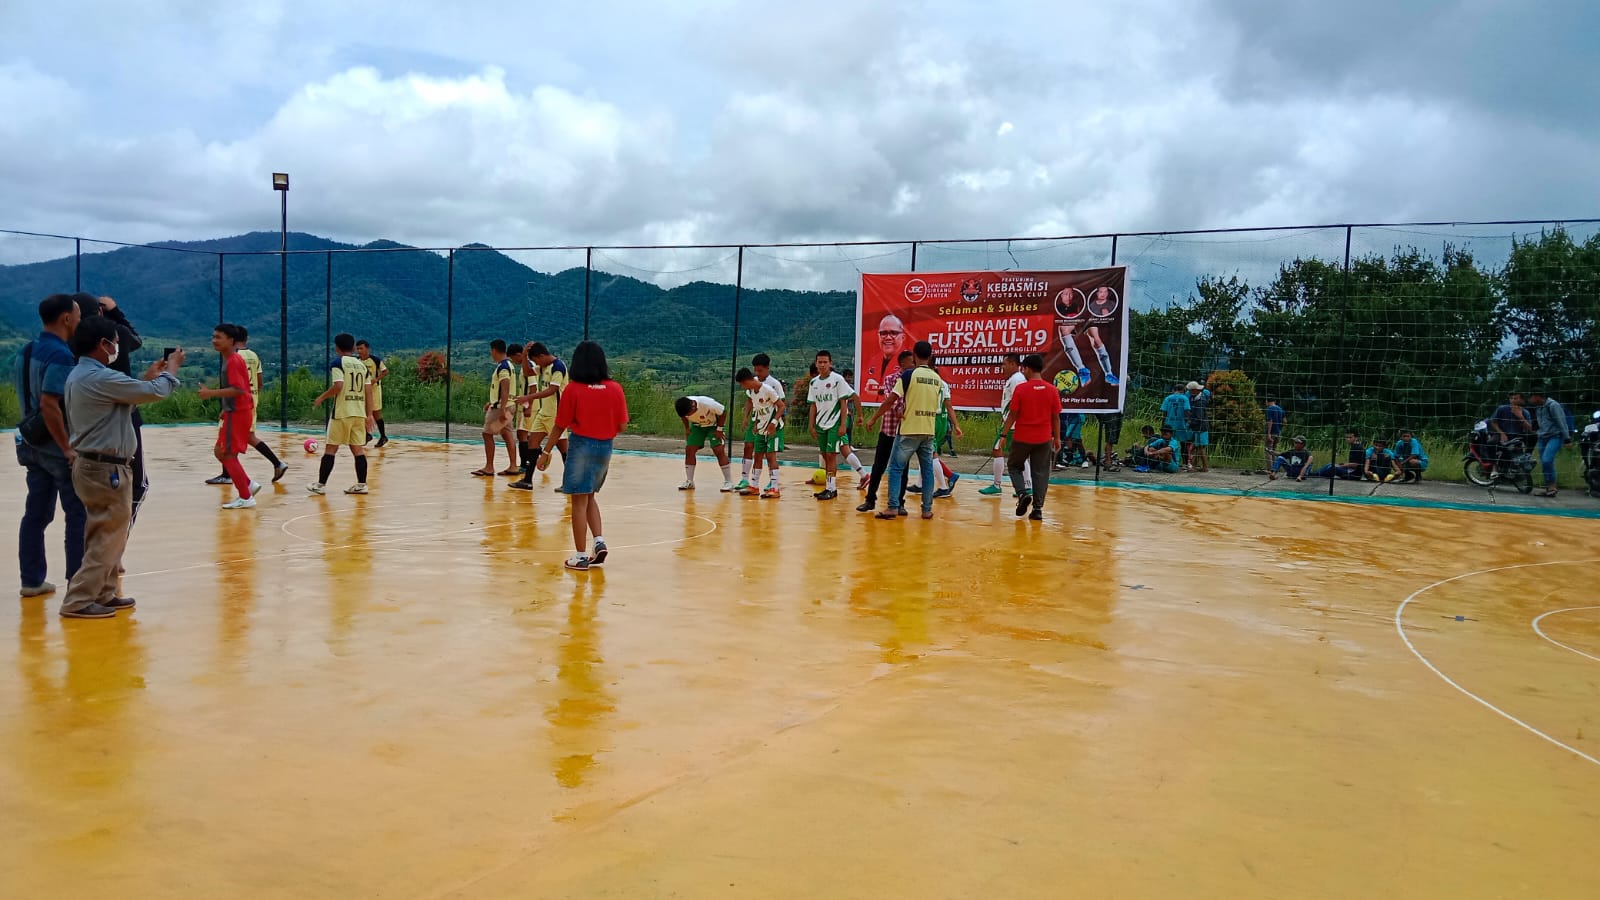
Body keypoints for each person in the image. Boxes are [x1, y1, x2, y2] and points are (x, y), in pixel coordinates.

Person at [58, 317, 183, 618]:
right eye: (115, 342)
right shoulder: (100, 377)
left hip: (95, 466)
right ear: (103, 344)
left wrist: (148, 377)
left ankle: (105, 591)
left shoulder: (85, 375)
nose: (117, 347)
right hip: (106, 469)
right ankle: (78, 600)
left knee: (103, 533)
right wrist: (172, 369)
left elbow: (125, 402)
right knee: (109, 535)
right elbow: (156, 392)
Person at [13, 294, 84, 599]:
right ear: (66, 318)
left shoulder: (26, 350)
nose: (80, 320)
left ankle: (31, 580)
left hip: (29, 443)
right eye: (77, 315)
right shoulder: (61, 356)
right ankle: (79, 585)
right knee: (77, 513)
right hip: (56, 448)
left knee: (36, 513)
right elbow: (50, 404)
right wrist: (67, 447)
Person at [535, 341, 628, 571]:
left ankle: (580, 555)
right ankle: (599, 541)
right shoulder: (615, 388)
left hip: (582, 446)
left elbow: (559, 425)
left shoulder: (573, 389)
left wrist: (546, 452)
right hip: (605, 448)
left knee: (578, 501)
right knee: (590, 496)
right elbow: (623, 425)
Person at [878, 341, 962, 521]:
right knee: (927, 470)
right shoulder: (937, 379)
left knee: (895, 468)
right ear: (930, 356)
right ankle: (926, 509)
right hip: (929, 431)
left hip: (909, 430)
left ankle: (893, 507)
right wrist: (956, 426)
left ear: (914, 355)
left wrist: (873, 418)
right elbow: (948, 406)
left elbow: (890, 400)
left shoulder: (909, 375)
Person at [205, 326, 288, 486]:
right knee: (249, 437)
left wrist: (223, 401)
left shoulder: (233, 357)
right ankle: (277, 463)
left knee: (224, 443)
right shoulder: (253, 355)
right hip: (251, 401)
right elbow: (260, 381)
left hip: (236, 405)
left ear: (232, 340)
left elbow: (233, 385)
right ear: (246, 339)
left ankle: (230, 476)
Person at [196, 325, 262, 508]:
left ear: (231, 341)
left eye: (219, 337)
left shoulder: (233, 361)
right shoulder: (231, 359)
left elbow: (238, 390)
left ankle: (246, 497)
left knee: (227, 454)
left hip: (239, 413)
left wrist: (210, 393)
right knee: (220, 451)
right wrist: (225, 408)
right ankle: (248, 484)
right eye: (213, 336)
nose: (214, 340)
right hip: (235, 412)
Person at [307, 332, 377, 495]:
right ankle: (361, 484)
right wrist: (370, 414)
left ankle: (320, 485)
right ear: (353, 348)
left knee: (331, 449)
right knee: (358, 450)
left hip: (342, 412)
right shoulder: (362, 366)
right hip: (359, 413)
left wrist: (321, 397)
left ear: (337, 348)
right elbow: (368, 392)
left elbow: (338, 386)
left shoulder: (338, 363)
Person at [999, 354, 1061, 520]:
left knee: (1014, 465)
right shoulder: (1052, 390)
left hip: (1023, 437)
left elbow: (1013, 414)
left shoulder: (1021, 389)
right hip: (1044, 438)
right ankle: (1037, 509)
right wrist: (1057, 438)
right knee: (1040, 473)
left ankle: (1022, 493)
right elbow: (1056, 417)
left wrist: (1003, 434)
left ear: (1026, 368)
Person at [857, 350, 913, 513]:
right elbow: (890, 400)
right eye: (911, 362)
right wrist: (900, 408)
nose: (913, 365)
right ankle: (870, 500)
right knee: (878, 466)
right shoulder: (890, 379)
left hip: (905, 431)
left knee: (903, 468)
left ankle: (899, 503)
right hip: (889, 428)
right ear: (902, 363)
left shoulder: (915, 381)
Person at [510, 342, 569, 490]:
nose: (536, 363)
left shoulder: (558, 367)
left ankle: (570, 482)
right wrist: (524, 356)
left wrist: (529, 398)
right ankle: (527, 480)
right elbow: (528, 372)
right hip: (544, 413)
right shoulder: (543, 366)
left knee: (564, 450)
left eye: (536, 360)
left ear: (541, 356)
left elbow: (552, 389)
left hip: (557, 414)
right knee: (532, 444)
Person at [807, 349, 856, 501]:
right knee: (825, 455)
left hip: (834, 423)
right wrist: (811, 425)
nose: (822, 365)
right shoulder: (814, 383)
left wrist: (843, 425)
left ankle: (831, 488)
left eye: (825, 362)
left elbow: (843, 403)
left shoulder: (837, 379)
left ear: (830, 363)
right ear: (816, 364)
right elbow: (813, 405)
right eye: (819, 362)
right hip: (821, 424)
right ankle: (829, 488)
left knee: (831, 455)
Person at [981, 354, 1032, 497]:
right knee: (1012, 453)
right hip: (1011, 422)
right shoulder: (1014, 379)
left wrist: (1011, 421)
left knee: (999, 449)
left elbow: (1020, 402)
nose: (1002, 367)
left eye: (1004, 364)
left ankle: (1000, 485)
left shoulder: (1017, 379)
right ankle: (1026, 485)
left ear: (1013, 364)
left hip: (1014, 424)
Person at [735, 353, 785, 492]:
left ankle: (774, 485)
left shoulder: (772, 386)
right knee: (755, 452)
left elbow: (781, 405)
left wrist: (774, 422)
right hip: (760, 424)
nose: (757, 373)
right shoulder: (752, 389)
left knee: (770, 455)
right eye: (755, 370)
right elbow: (753, 404)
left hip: (772, 424)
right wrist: (752, 421)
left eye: (760, 370)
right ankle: (752, 484)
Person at [673, 395, 734, 491]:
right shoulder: (684, 407)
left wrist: (719, 429)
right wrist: (687, 429)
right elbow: (684, 417)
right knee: (689, 449)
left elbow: (723, 412)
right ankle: (689, 481)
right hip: (697, 426)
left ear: (693, 406)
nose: (688, 416)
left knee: (718, 449)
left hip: (714, 425)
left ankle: (729, 482)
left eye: (689, 413)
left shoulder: (707, 403)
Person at [474, 339, 517, 477]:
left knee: (487, 434)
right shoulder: (509, 365)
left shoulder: (503, 367)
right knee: (507, 434)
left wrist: (501, 408)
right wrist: (492, 402)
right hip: (509, 405)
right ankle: (513, 466)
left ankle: (489, 467)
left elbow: (505, 388)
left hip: (501, 408)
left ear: (494, 351)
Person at [1528, 387, 1569, 497]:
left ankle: (1552, 486)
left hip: (1555, 436)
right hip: (1542, 437)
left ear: (1537, 396)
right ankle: (1549, 488)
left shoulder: (1553, 405)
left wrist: (1567, 438)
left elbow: (1561, 421)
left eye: (1531, 397)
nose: (1530, 399)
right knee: (1545, 463)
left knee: (1547, 460)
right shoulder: (1538, 408)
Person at [355, 339, 390, 447]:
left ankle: (383, 436)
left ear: (367, 349)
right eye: (358, 349)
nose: (359, 351)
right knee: (363, 413)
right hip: (362, 391)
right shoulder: (357, 361)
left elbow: (385, 371)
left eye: (361, 348)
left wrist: (376, 379)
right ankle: (367, 435)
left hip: (374, 391)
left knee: (376, 414)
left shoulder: (375, 360)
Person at [867, 315, 909, 401]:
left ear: (903, 337)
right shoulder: (873, 361)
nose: (888, 337)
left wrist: (878, 391)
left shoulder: (908, 360)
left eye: (893, 333)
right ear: (878, 336)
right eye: (883, 333)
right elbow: (865, 391)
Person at [504, 342, 529, 476]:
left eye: (513, 358)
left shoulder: (529, 367)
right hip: (522, 406)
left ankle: (525, 465)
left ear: (519, 355)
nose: (514, 362)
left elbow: (533, 387)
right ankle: (530, 458)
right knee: (523, 435)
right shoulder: (524, 367)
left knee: (522, 435)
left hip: (527, 407)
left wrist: (528, 406)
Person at [1160, 383, 1191, 466]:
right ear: (1183, 390)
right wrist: (1188, 422)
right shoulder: (1185, 398)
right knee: (1183, 444)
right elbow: (1187, 411)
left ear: (1174, 390)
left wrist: (1163, 425)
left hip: (1169, 424)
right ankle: (1185, 463)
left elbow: (1164, 412)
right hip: (1181, 424)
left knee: (1168, 443)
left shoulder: (1168, 398)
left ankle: (1170, 461)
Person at [1186, 380, 1211, 472]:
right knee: (1198, 447)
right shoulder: (1196, 398)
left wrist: (1190, 423)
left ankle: (1205, 466)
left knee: (1201, 447)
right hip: (1198, 427)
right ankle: (1195, 465)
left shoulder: (1200, 401)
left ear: (1195, 390)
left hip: (1201, 427)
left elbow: (1199, 417)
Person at [1263, 397, 1286, 472]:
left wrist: (1269, 434)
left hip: (1271, 432)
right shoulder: (1280, 409)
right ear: (1274, 401)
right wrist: (1279, 428)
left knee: (1268, 450)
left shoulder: (1269, 409)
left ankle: (1270, 469)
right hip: (1278, 432)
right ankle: (1275, 468)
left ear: (1267, 401)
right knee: (1273, 450)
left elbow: (1270, 421)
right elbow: (1285, 421)